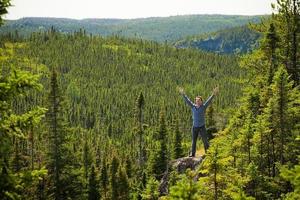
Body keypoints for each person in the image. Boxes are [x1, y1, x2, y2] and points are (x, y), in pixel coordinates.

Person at [179, 86, 219, 157]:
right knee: (194, 141)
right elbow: (187, 101)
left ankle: (208, 153)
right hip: (194, 127)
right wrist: (183, 94)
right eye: (196, 100)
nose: (197, 102)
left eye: (199, 100)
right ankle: (193, 154)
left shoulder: (203, 107)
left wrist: (213, 94)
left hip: (202, 127)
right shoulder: (193, 106)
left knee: (205, 141)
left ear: (201, 101)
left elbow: (209, 101)